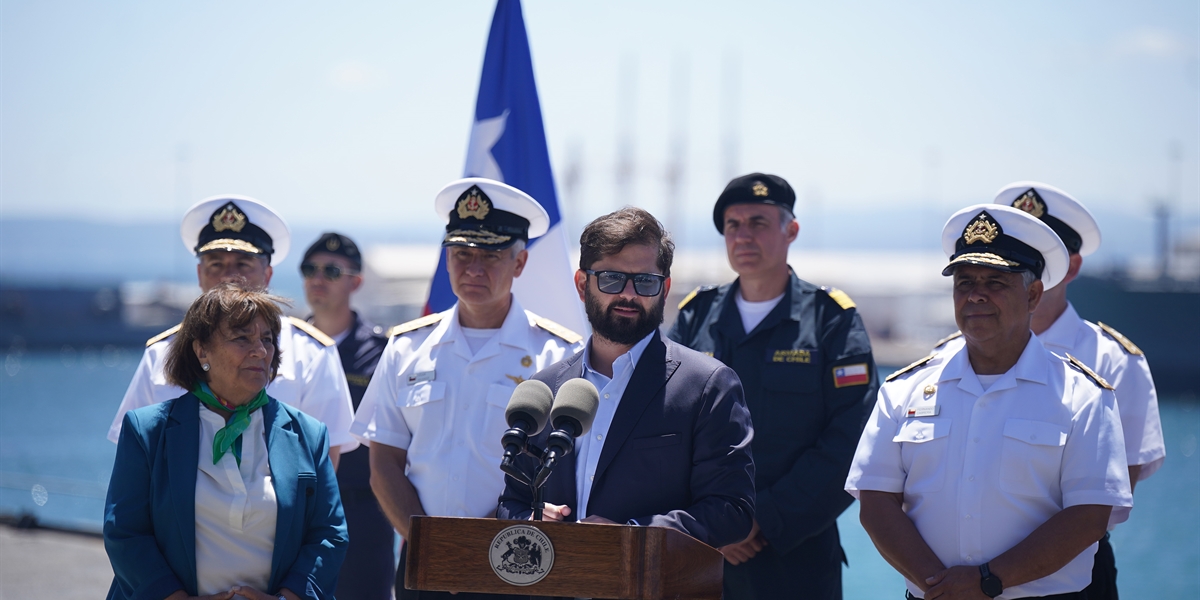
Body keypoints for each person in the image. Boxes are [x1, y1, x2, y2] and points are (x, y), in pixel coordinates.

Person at [846, 204, 1132, 599]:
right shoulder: (905, 389)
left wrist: (986, 581)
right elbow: (876, 501)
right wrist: (942, 587)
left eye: (995, 282)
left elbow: (1089, 517)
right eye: (964, 282)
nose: (976, 295)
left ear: (1033, 295)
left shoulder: (1082, 396)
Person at [349, 178, 584, 599]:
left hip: (521, 562)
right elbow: (384, 461)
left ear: (520, 263)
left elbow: (572, 467)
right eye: (461, 254)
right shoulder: (407, 348)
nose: (473, 268)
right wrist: (429, 544)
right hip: (424, 562)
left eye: (491, 255)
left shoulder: (558, 355)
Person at [930, 182, 1165, 599]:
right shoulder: (949, 357)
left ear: (1067, 267)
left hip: (1069, 573)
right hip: (955, 577)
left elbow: (1113, 489)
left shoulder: (1112, 361)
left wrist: (1003, 569)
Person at [497, 206, 756, 550]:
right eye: (611, 279)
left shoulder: (707, 385)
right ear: (581, 284)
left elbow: (732, 510)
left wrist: (631, 535)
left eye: (645, 281)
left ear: (665, 289)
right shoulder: (545, 388)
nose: (629, 294)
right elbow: (510, 501)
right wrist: (529, 519)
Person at [668, 173, 877, 599]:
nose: (743, 235)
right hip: (700, 553)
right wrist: (712, 521)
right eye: (733, 225)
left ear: (791, 230)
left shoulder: (831, 321)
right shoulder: (695, 317)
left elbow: (852, 438)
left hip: (795, 559)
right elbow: (663, 424)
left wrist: (762, 518)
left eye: (758, 222)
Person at [104, 283, 347, 600]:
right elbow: (125, 531)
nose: (260, 350)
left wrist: (290, 598)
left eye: (267, 339)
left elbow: (329, 534)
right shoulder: (147, 430)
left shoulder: (308, 434)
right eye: (242, 338)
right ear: (201, 350)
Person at [107, 194, 357, 466]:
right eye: (216, 265)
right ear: (200, 274)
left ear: (268, 275)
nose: (228, 277)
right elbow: (135, 458)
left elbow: (323, 464)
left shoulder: (313, 353)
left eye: (243, 264)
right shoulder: (161, 353)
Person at [300, 232, 395, 599]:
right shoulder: (282, 349)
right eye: (310, 269)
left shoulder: (384, 352)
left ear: (355, 281)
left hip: (364, 514)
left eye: (331, 271)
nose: (318, 279)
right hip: (297, 513)